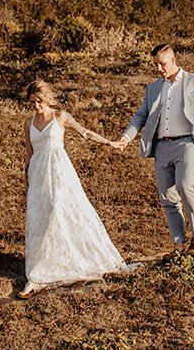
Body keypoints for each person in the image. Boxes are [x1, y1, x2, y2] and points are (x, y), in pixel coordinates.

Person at [111, 43, 194, 253]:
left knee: (185, 185)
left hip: (188, 143)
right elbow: (141, 115)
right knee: (167, 197)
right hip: (162, 146)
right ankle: (178, 244)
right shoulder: (153, 87)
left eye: (162, 64)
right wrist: (126, 137)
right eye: (155, 64)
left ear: (173, 60)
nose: (159, 69)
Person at [20, 79, 130, 298]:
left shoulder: (60, 117)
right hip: (39, 174)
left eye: (39, 101)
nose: (35, 106)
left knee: (57, 212)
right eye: (32, 102)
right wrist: (26, 181)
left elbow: (86, 133)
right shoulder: (28, 123)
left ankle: (61, 265)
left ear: (46, 99)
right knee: (39, 218)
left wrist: (110, 143)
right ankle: (38, 272)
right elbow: (29, 154)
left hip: (59, 172)